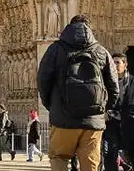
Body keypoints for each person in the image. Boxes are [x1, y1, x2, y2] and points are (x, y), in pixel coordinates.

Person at [37, 15, 119, 171]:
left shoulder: (56, 49)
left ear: (69, 27)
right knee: (90, 164)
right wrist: (102, 109)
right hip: (93, 120)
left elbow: (43, 80)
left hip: (63, 118)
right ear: (89, 28)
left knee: (59, 158)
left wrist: (53, 106)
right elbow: (114, 87)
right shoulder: (101, 51)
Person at [105, 54, 134, 171]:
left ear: (125, 64)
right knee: (110, 155)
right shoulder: (107, 81)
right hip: (112, 123)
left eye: (118, 62)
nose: (115, 65)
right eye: (113, 63)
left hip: (130, 124)